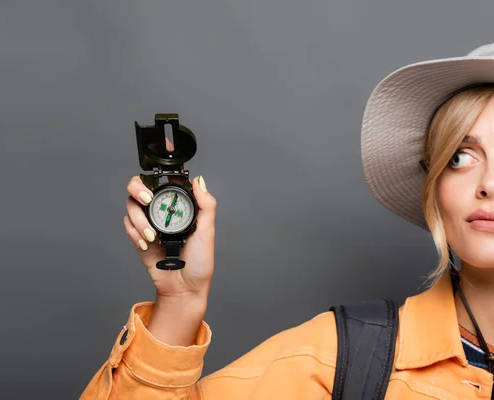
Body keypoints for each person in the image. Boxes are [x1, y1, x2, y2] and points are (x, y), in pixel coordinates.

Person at [81, 43, 494, 399]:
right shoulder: (344, 357)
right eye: (460, 157)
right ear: (435, 183)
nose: (488, 185)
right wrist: (180, 304)